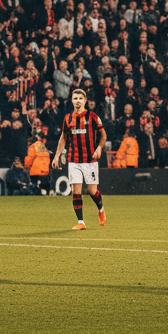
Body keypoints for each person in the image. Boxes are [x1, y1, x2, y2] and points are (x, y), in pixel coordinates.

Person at [52, 87, 107, 230]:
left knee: (91, 191)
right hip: (74, 159)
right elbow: (63, 137)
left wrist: (99, 148)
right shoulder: (67, 118)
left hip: (90, 160)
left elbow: (103, 135)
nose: (77, 101)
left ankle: (101, 210)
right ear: (72, 100)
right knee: (75, 190)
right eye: (75, 98)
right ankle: (81, 222)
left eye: (80, 98)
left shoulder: (92, 117)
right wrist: (57, 155)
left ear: (85, 100)